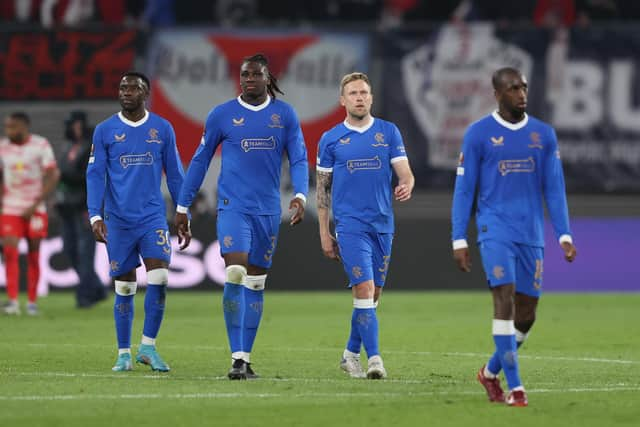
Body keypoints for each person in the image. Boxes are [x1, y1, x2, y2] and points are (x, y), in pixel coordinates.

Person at [174, 53, 309, 380]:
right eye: (244, 74)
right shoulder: (222, 115)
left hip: (268, 211)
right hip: (233, 207)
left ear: (267, 78)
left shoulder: (284, 114)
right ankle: (235, 358)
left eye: (255, 75)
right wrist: (182, 205)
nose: (249, 79)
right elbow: (201, 160)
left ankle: (245, 358)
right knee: (235, 271)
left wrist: (301, 195)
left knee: (256, 281)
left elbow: (300, 158)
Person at [451, 67, 577, 407]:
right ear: (497, 94)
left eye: (523, 87)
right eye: (513, 88)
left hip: (531, 233)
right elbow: (465, 189)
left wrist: (563, 233)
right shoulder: (479, 134)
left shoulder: (543, 135)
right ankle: (516, 388)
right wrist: (458, 238)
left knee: (527, 314)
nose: (521, 93)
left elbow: (554, 188)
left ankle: (489, 372)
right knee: (503, 300)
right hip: (495, 229)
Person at [316, 72, 415, 379]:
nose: (360, 97)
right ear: (342, 100)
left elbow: (405, 172)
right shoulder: (331, 139)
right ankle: (374, 360)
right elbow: (322, 191)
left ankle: (349, 354)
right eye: (353, 93)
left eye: (364, 92)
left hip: (383, 224)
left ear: (371, 98)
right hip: (350, 225)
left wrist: (407, 183)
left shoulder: (388, 132)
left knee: (371, 297)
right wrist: (324, 232)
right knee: (364, 287)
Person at [86, 71, 187, 372]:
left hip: (152, 216)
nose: (126, 92)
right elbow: (94, 175)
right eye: (122, 87)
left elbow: (176, 173)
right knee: (125, 288)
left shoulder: (162, 128)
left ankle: (148, 347)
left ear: (146, 93)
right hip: (118, 220)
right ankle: (123, 354)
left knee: (160, 278)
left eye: (134, 88)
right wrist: (95, 214)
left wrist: (184, 212)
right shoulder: (105, 131)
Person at [0, 112, 60, 316]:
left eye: (13, 127)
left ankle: (32, 302)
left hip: (35, 208)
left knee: (34, 254)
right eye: (7, 127)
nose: (9, 131)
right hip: (10, 207)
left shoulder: (40, 145)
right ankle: (13, 301)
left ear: (24, 126)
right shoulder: (2, 147)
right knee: (10, 252)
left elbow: (53, 175)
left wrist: (36, 204)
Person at [56, 111, 107, 308]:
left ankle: (85, 295)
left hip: (86, 205)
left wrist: (63, 175)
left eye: (75, 124)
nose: (72, 128)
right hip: (67, 206)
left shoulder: (92, 146)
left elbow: (91, 176)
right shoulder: (68, 146)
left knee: (85, 251)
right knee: (69, 249)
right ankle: (97, 289)